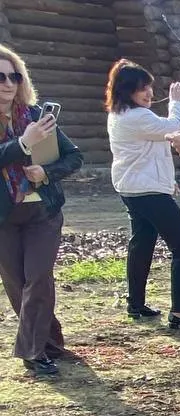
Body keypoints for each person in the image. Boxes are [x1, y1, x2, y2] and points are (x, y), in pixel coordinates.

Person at [0, 44, 82, 376]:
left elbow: (74, 157)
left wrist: (47, 173)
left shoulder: (36, 116)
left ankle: (31, 351)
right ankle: (51, 343)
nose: (8, 83)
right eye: (0, 77)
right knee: (17, 284)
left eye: (14, 77)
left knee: (38, 277)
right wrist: (23, 143)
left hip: (42, 213)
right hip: (4, 216)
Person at [105, 60, 180, 331]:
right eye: (141, 89)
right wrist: (176, 102)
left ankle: (136, 303)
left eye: (149, 87)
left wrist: (167, 182)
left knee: (142, 243)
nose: (149, 93)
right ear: (126, 91)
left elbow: (149, 153)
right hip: (146, 192)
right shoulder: (136, 117)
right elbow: (176, 128)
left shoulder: (121, 115)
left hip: (134, 188)